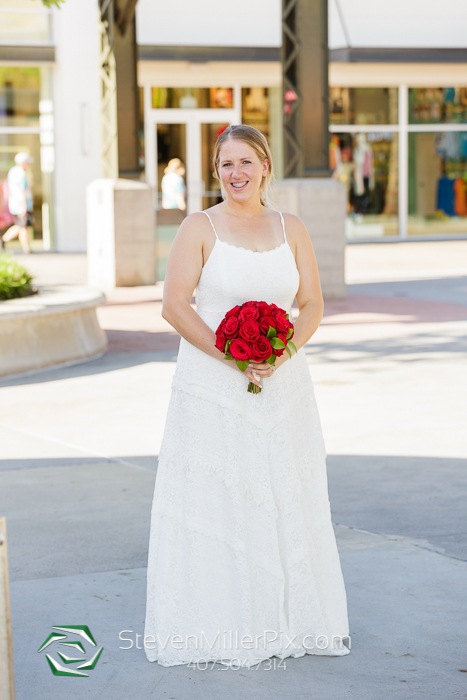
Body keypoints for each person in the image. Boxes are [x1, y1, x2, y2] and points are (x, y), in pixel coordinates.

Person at [144, 125, 350, 668]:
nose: (235, 174)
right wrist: (232, 353)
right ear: (216, 172)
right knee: (223, 492)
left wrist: (281, 352)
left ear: (264, 165)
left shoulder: (293, 228)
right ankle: (222, 621)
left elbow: (311, 304)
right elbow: (175, 306)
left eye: (245, 163)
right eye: (225, 165)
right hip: (213, 384)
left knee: (282, 490)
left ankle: (290, 617)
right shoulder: (199, 227)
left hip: (283, 383)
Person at [2, 152, 34, 253]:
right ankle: (4, 240)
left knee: (21, 226)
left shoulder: (12, 171)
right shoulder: (21, 173)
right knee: (22, 226)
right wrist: (24, 206)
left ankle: (26, 248)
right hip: (21, 205)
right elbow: (22, 190)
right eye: (27, 162)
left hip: (15, 204)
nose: (28, 164)